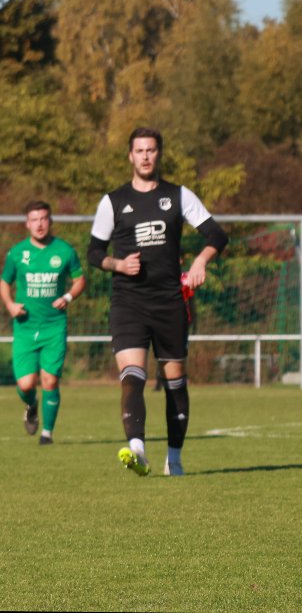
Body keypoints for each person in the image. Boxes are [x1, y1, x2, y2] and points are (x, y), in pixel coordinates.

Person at [88, 127, 228, 477]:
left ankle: (175, 459)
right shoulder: (113, 201)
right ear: (130, 156)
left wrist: (199, 262)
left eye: (151, 150)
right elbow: (94, 253)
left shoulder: (178, 196)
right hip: (128, 302)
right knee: (132, 375)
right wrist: (118, 264)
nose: (146, 156)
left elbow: (216, 235)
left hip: (169, 302)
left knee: (175, 380)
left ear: (158, 154)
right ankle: (137, 448)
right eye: (139, 150)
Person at [2, 201, 86, 445]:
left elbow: (80, 280)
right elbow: (4, 282)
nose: (39, 224)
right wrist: (9, 304)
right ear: (27, 224)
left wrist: (68, 296)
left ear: (50, 221)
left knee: (50, 379)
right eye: (34, 219)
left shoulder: (64, 251)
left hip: (53, 326)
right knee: (26, 384)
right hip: (25, 326)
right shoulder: (17, 253)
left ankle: (47, 433)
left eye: (43, 218)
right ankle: (31, 405)